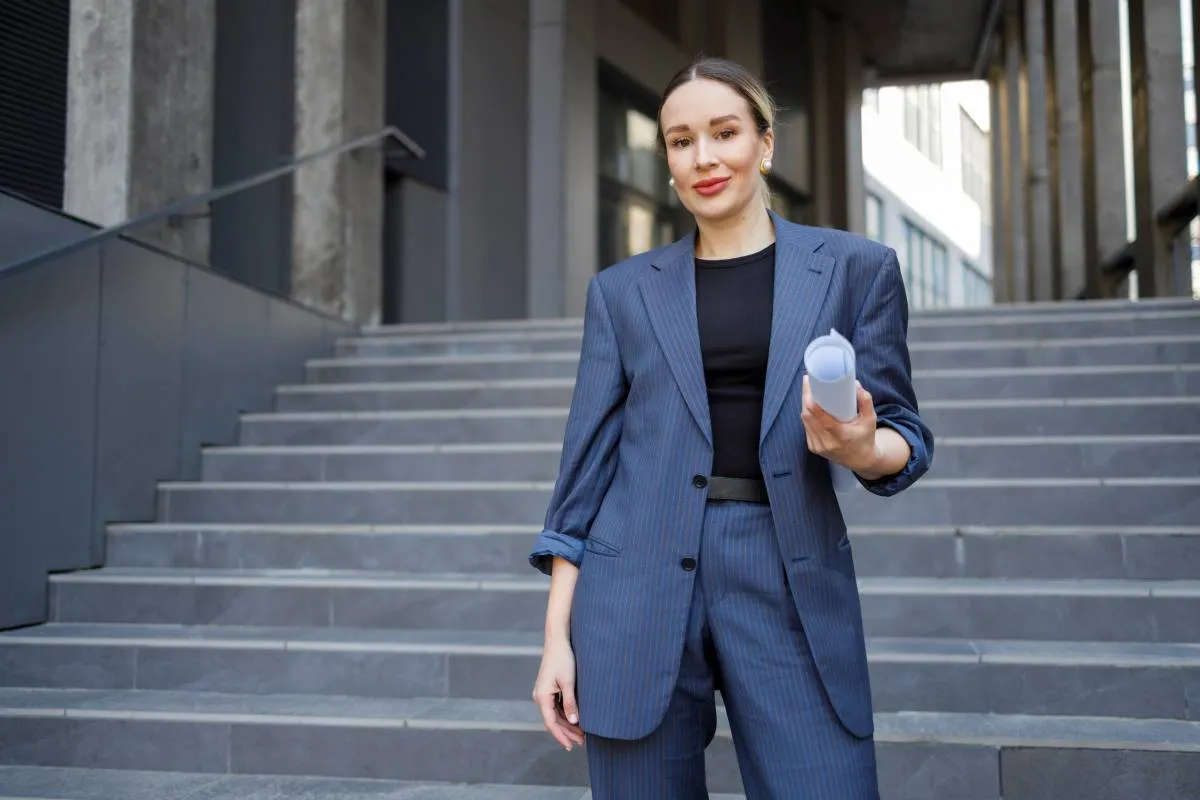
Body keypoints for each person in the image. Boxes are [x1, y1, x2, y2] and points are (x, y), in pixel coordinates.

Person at [528, 56, 934, 799]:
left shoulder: (855, 268)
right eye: (681, 141)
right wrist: (557, 638)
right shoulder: (621, 294)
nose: (704, 157)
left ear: (765, 143)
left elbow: (905, 435)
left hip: (785, 569)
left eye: (724, 132)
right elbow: (581, 479)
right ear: (669, 161)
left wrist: (861, 447)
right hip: (634, 579)